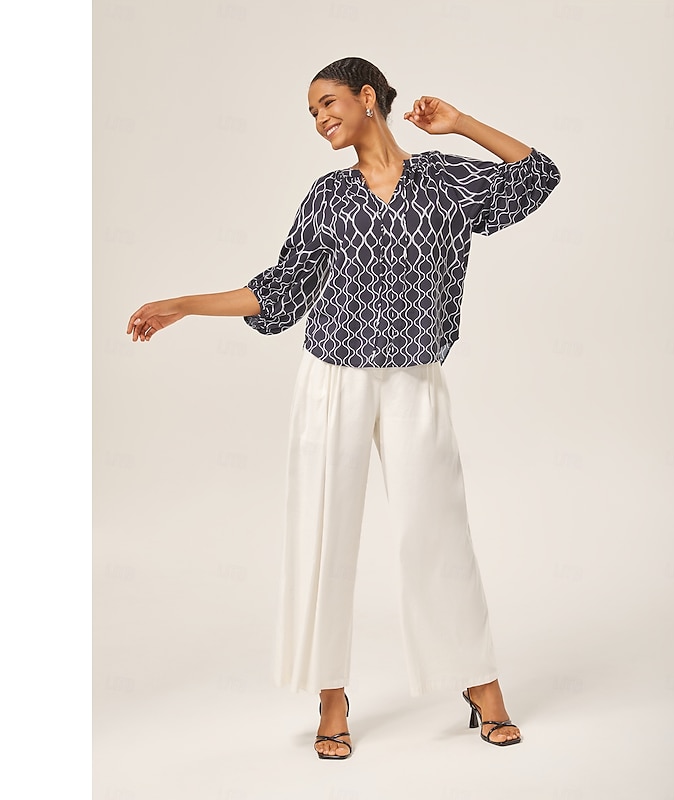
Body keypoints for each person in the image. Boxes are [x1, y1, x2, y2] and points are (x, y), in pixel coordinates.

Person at [127, 56, 561, 760]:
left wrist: (459, 124)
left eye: (327, 103)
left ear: (367, 98)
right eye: (311, 113)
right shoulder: (328, 195)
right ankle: (331, 696)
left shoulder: (444, 181)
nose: (320, 120)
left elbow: (538, 175)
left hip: (416, 380)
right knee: (324, 534)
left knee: (438, 530)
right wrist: (185, 304)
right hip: (334, 380)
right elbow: (282, 289)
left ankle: (480, 684)